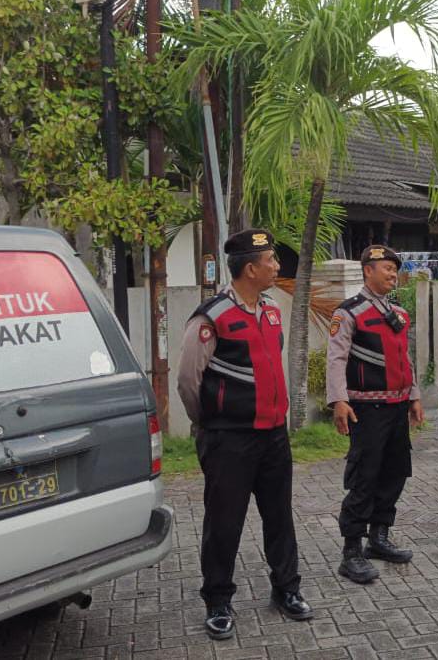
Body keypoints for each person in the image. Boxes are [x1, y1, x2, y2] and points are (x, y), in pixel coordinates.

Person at [176, 229, 313, 640]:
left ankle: (286, 589)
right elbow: (188, 380)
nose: (276, 265)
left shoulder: (271, 309)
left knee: (279, 517)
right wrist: (211, 424)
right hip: (229, 440)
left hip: (273, 437)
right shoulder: (212, 316)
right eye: (271, 260)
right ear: (250, 269)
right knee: (224, 522)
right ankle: (218, 601)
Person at [326, 244, 424, 584]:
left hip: (398, 407)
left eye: (395, 269)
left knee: (395, 472)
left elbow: (404, 356)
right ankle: (351, 550)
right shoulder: (349, 313)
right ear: (368, 270)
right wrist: (338, 400)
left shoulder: (398, 313)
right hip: (366, 409)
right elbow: (336, 358)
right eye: (387, 268)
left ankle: (379, 537)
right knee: (364, 477)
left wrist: (413, 396)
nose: (393, 273)